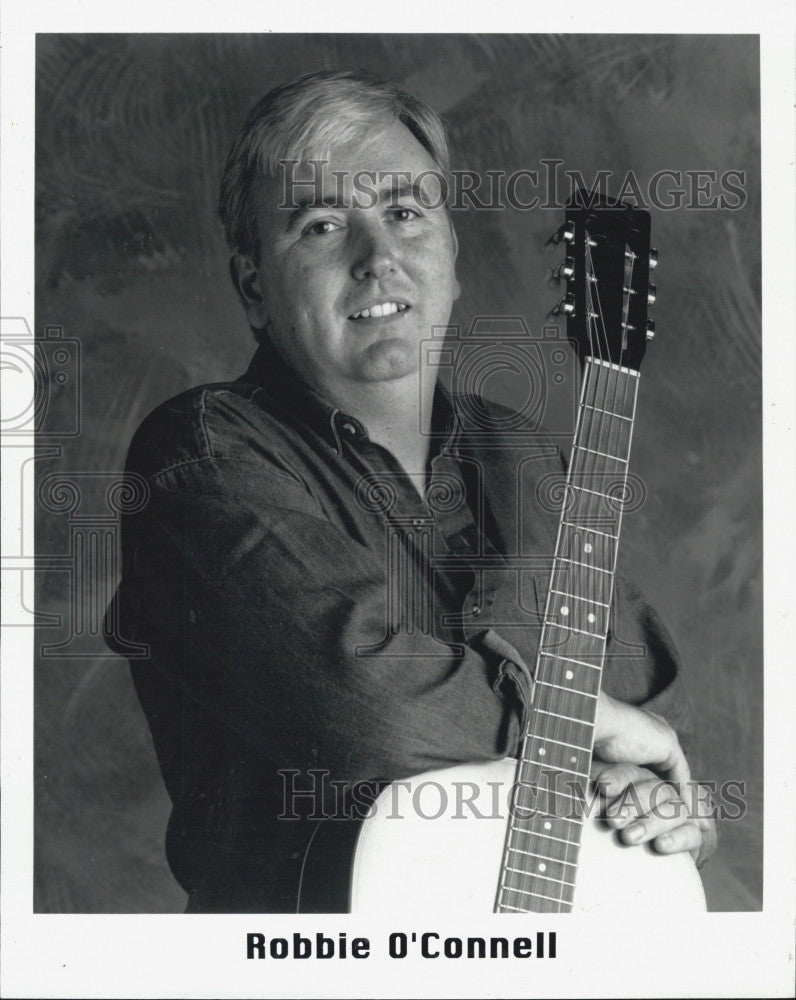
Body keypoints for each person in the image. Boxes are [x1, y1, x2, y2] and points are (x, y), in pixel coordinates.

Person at [106, 69, 717, 913]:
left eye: (404, 212)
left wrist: (664, 808)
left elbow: (653, 745)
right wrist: (579, 724)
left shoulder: (532, 456)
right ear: (253, 286)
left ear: (452, 255)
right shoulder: (202, 454)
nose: (377, 258)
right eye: (321, 224)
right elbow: (365, 709)